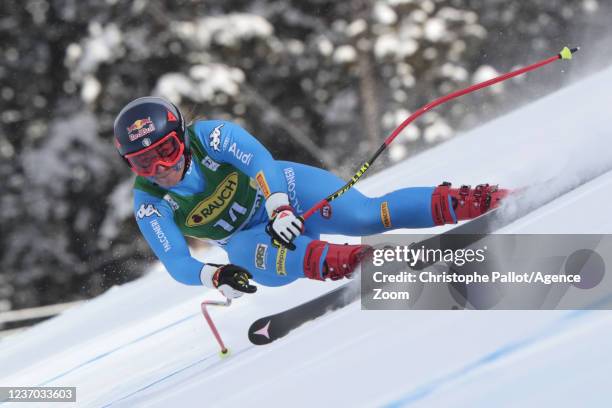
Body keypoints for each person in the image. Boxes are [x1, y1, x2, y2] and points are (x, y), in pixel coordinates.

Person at [114, 96, 509, 299]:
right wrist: (214, 275)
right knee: (242, 250)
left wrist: (279, 206)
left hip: (284, 195)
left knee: (365, 216)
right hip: (253, 242)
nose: (159, 168)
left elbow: (260, 163)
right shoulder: (150, 202)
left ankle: (479, 200)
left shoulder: (210, 137)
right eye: (142, 162)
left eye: (164, 151)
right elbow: (177, 261)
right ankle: (353, 263)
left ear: (181, 136)